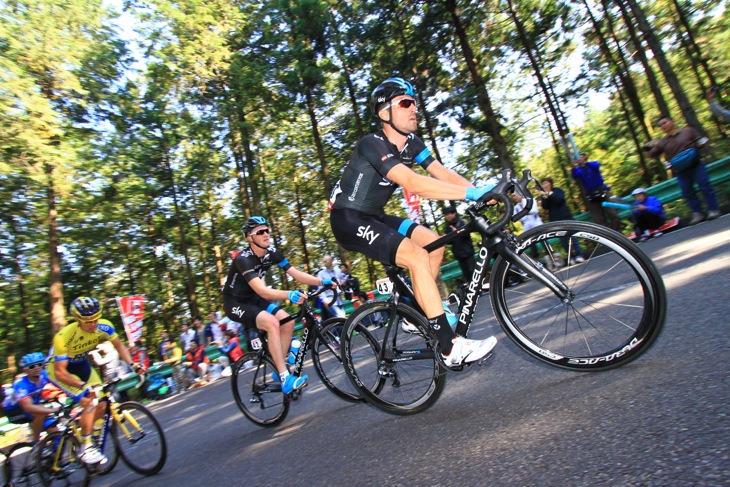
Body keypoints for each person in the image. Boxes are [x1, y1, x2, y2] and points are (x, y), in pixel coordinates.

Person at [328, 77, 497, 367]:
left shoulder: (412, 144)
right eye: (405, 103)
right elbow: (413, 183)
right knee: (416, 256)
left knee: (433, 243)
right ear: (384, 113)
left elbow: (441, 173)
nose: (413, 108)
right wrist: (472, 194)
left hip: (374, 216)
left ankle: (417, 310)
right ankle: (449, 347)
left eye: (415, 103)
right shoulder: (372, 143)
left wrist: (483, 193)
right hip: (348, 219)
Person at [222, 216, 335, 394]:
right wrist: (289, 294)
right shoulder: (243, 259)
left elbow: (296, 274)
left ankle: (277, 367)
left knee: (288, 322)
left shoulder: (272, 253)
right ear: (250, 238)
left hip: (253, 298)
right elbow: (263, 291)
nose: (266, 234)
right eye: (260, 232)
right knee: (272, 323)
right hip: (235, 303)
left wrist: (323, 281)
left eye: (267, 230)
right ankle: (285, 378)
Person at [48, 296, 141, 464]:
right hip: (60, 371)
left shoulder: (104, 326)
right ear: (77, 319)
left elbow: (119, 346)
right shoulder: (63, 337)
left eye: (95, 319)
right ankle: (86, 447)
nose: (92, 324)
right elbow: (60, 372)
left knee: (103, 401)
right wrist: (83, 387)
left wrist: (133, 365)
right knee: (89, 401)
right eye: (87, 321)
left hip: (81, 364)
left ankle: (93, 433)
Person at [643, 115, 720, 225]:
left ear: (672, 121)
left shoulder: (688, 131)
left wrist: (701, 145)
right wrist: (647, 148)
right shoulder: (662, 142)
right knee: (688, 192)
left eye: (664, 123)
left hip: (696, 165)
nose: (662, 126)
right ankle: (698, 213)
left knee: (705, 187)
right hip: (680, 171)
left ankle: (713, 209)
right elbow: (650, 155)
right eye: (660, 125)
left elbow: (703, 141)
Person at [5, 352, 61, 445]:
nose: (37, 368)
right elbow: (28, 407)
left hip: (33, 407)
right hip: (15, 411)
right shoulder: (21, 384)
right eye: (32, 366)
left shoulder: (44, 375)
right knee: (41, 413)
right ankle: (36, 443)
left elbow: (62, 384)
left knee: (56, 433)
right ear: (25, 370)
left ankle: (55, 454)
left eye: (40, 364)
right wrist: (52, 409)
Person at [538, 178, 586, 266]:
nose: (545, 185)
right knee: (563, 239)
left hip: (565, 216)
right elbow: (545, 206)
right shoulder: (544, 196)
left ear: (550, 183)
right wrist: (545, 197)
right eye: (543, 184)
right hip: (555, 219)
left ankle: (579, 255)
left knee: (572, 236)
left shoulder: (557, 190)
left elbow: (559, 199)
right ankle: (571, 257)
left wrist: (548, 194)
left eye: (546, 183)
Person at [570, 152, 622, 231]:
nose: (579, 159)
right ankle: (607, 238)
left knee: (613, 214)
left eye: (581, 156)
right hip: (591, 196)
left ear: (584, 157)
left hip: (603, 191)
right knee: (599, 220)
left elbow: (597, 166)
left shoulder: (592, 164)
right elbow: (575, 175)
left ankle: (617, 233)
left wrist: (585, 163)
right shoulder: (579, 170)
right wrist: (574, 167)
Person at [442, 206, 476, 282]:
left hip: (468, 252)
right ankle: (472, 289)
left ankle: (479, 287)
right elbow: (449, 242)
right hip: (459, 254)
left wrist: (457, 232)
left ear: (454, 213)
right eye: (446, 215)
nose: (448, 216)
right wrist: (445, 238)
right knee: (466, 273)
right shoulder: (447, 227)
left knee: (472, 271)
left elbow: (467, 234)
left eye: (449, 214)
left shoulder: (462, 222)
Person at [317, 254, 345, 319]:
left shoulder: (338, 270)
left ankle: (333, 329)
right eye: (323, 261)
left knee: (339, 320)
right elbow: (320, 288)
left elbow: (341, 282)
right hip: (330, 300)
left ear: (332, 260)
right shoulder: (321, 273)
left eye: (326, 261)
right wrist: (324, 300)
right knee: (341, 317)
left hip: (339, 299)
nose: (324, 263)